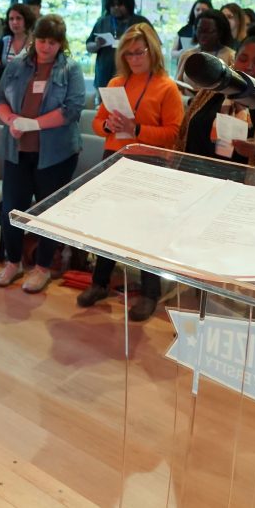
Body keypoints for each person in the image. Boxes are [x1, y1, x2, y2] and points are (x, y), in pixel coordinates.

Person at [77, 23, 184, 321]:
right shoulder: (115, 83)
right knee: (107, 224)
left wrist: (136, 129)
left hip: (149, 163)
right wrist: (108, 126)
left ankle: (150, 292)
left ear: (153, 51)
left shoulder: (167, 87)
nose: (134, 58)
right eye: (128, 53)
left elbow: (173, 134)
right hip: (114, 157)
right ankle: (100, 282)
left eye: (139, 52)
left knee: (145, 230)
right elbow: (98, 123)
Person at [0, 15, 85, 292]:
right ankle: (13, 261)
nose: (45, 47)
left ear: (61, 43)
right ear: (34, 40)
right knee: (12, 208)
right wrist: (12, 121)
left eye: (52, 43)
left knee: (48, 211)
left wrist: (34, 124)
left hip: (56, 154)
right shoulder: (18, 65)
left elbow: (72, 109)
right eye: (41, 41)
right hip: (17, 149)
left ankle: (43, 267)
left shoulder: (70, 69)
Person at [175, 35, 255, 170]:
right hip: (192, 176)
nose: (249, 66)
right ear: (235, 58)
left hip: (238, 185)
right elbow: (183, 132)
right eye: (243, 59)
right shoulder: (213, 86)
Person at [86, 0, 152, 91]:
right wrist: (97, 45)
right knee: (106, 107)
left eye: (120, 4)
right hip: (105, 78)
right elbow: (89, 46)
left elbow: (154, 47)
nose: (116, 8)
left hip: (133, 76)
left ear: (128, 4)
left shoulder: (141, 23)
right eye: (113, 5)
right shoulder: (102, 22)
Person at [175, 9, 235, 92]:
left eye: (208, 31)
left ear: (220, 32)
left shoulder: (231, 56)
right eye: (200, 30)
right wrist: (188, 100)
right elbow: (177, 89)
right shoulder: (187, 55)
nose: (203, 35)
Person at [0, 3, 37, 96]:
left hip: (26, 95)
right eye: (11, 19)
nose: (14, 22)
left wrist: (2, 68)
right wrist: (19, 71)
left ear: (26, 20)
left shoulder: (35, 45)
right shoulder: (3, 42)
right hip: (1, 94)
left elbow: (34, 72)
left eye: (18, 18)